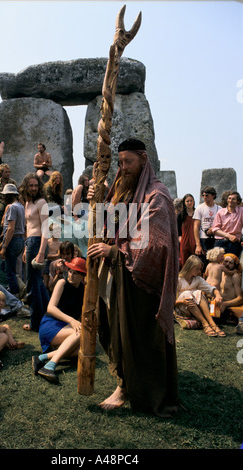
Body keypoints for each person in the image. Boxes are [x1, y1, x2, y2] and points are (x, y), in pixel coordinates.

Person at [87, 138, 180, 416]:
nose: (123, 167)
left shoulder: (157, 195)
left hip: (142, 282)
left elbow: (154, 244)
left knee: (139, 336)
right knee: (116, 331)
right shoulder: (120, 189)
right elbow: (106, 224)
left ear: (143, 159)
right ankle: (124, 384)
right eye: (120, 162)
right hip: (119, 275)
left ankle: (140, 389)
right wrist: (96, 200)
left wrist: (115, 251)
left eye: (129, 161)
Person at [32, 257, 86, 384]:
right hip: (51, 324)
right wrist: (72, 321)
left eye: (76, 273)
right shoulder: (62, 282)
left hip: (65, 328)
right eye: (71, 271)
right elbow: (50, 308)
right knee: (81, 333)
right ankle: (50, 366)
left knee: (83, 349)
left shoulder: (83, 289)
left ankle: (41, 358)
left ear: (83, 276)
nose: (71, 274)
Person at [19, 173, 50, 332]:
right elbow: (27, 228)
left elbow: (45, 228)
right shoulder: (27, 202)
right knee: (37, 284)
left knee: (32, 284)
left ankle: (35, 322)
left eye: (36, 185)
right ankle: (47, 317)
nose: (33, 188)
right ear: (26, 186)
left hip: (38, 243)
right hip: (30, 243)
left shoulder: (41, 202)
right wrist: (25, 248)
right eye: (30, 185)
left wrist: (41, 252)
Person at [175, 255, 225, 337]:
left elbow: (211, 288)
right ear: (190, 267)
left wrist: (218, 295)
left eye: (200, 269)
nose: (199, 272)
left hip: (195, 308)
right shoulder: (178, 279)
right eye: (197, 269)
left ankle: (212, 324)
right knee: (187, 293)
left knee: (198, 292)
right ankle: (205, 324)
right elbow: (169, 302)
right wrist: (182, 302)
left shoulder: (197, 279)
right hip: (182, 308)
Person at [0, 184, 25, 297]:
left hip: (13, 240)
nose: (3, 198)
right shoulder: (21, 206)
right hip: (19, 239)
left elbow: (10, 228)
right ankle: (20, 288)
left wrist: (4, 246)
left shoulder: (12, 207)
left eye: (5, 196)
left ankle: (15, 294)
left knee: (10, 271)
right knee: (8, 267)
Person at [193, 186, 221, 265]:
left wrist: (214, 229)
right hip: (203, 239)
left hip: (216, 238)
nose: (205, 197)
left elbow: (223, 225)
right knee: (204, 263)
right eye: (203, 195)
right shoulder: (199, 208)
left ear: (213, 196)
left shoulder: (219, 209)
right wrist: (198, 245)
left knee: (215, 262)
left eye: (207, 195)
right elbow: (196, 227)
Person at [212, 191, 243, 258]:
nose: (230, 200)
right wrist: (228, 235)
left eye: (233, 199)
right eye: (229, 198)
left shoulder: (241, 211)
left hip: (234, 242)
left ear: (238, 201)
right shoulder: (220, 212)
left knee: (232, 265)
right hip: (220, 241)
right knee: (217, 264)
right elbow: (215, 229)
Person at [219, 253, 243, 323]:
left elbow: (240, 298)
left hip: (230, 305)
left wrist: (225, 304)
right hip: (219, 304)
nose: (227, 264)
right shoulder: (219, 272)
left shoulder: (235, 276)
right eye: (225, 261)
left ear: (234, 266)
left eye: (230, 263)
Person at [177, 193, 196, 267]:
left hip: (195, 240)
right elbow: (178, 230)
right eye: (187, 201)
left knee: (195, 262)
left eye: (191, 201)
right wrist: (181, 240)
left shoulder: (197, 212)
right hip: (184, 241)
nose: (189, 203)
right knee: (184, 262)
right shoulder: (180, 215)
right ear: (184, 203)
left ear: (194, 201)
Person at [42, 223, 61, 290]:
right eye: (56, 231)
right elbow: (45, 255)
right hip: (47, 263)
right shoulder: (48, 242)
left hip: (56, 264)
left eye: (59, 231)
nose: (58, 233)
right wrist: (56, 255)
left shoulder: (60, 244)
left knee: (55, 282)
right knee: (46, 283)